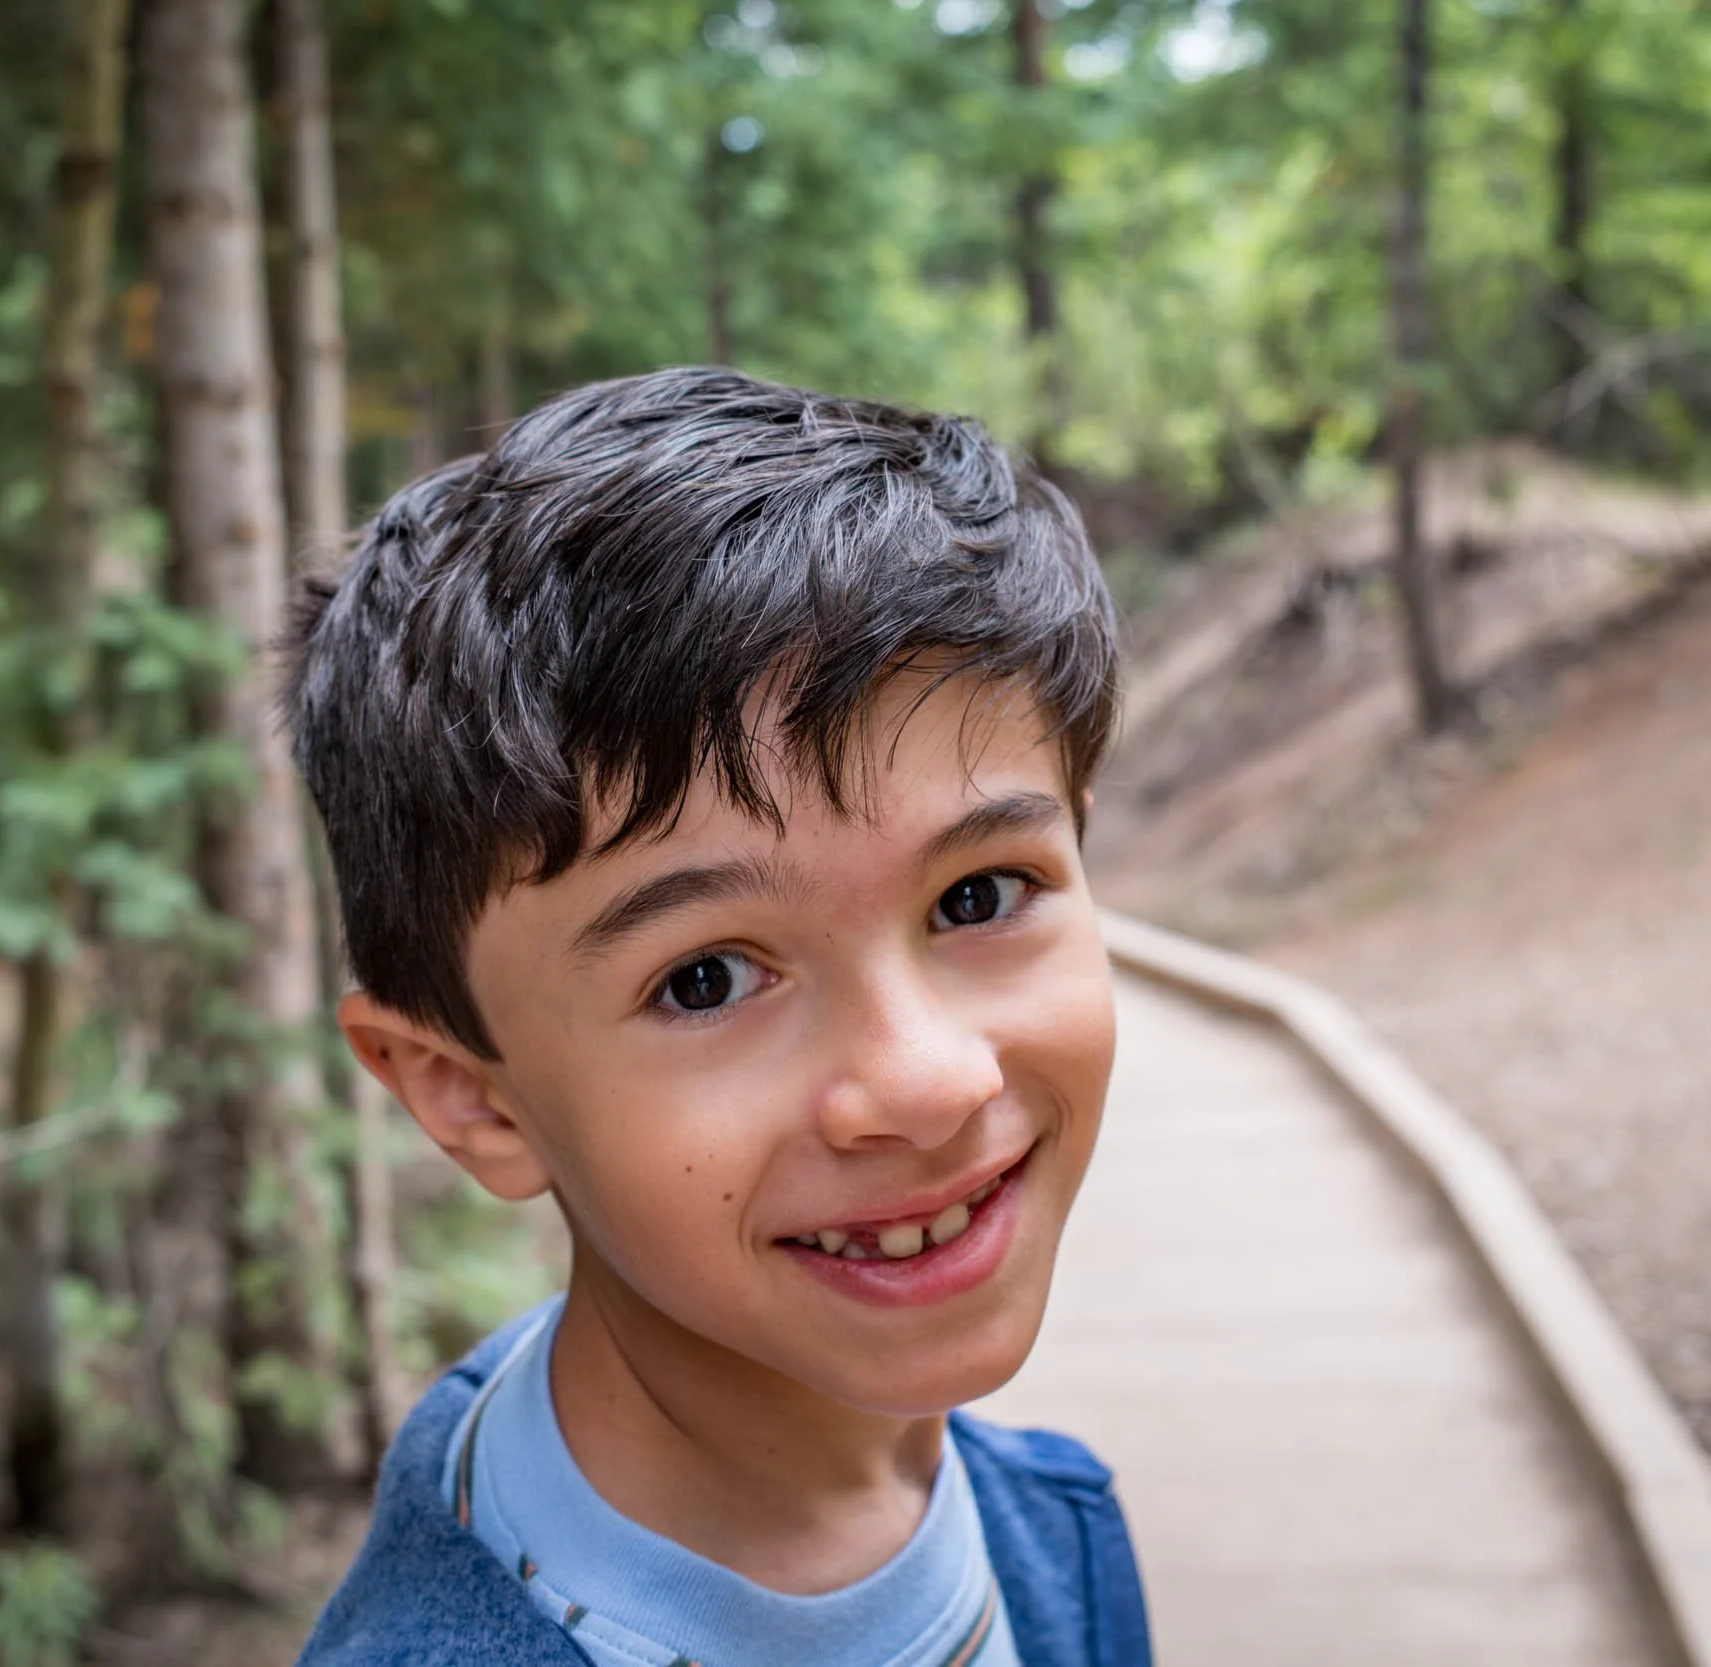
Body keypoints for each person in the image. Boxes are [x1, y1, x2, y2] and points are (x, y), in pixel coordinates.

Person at [281, 366, 1147, 1666]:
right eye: (706, 978)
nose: (926, 1079)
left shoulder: (1048, 1520)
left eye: (978, 892)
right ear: (469, 1091)